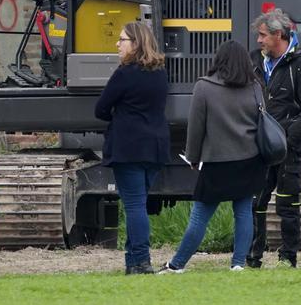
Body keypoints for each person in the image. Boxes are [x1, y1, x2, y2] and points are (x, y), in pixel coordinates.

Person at [158, 41, 266, 274]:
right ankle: (238, 264)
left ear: (218, 60)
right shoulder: (255, 87)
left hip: (216, 162)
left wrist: (193, 157)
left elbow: (196, 128)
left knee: (199, 217)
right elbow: (261, 122)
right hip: (249, 159)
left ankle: (177, 264)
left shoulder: (204, 87)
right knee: (244, 212)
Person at [247, 8, 301, 268]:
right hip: (258, 145)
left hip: (288, 147)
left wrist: (287, 139)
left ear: (278, 35)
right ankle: (251, 256)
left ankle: (288, 257)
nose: (258, 40)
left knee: (288, 203)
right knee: (254, 201)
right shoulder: (255, 61)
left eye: (263, 35)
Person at [94, 21, 169, 275]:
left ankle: (140, 260)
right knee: (138, 203)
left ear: (135, 44)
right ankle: (133, 260)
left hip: (129, 148)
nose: (117, 44)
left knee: (134, 206)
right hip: (156, 147)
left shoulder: (124, 73)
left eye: (122, 40)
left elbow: (101, 109)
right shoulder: (160, 73)